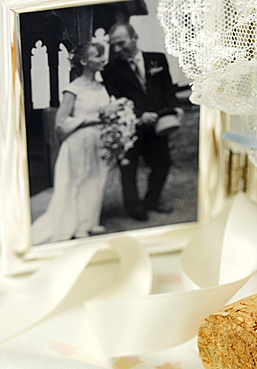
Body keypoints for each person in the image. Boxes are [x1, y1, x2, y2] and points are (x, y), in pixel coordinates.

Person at [31, 42, 113, 243]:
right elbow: (61, 122)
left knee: (96, 179)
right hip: (79, 140)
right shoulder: (73, 89)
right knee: (78, 180)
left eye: (103, 55)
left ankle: (89, 222)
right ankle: (75, 225)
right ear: (84, 61)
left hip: (99, 139)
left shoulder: (101, 87)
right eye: (97, 56)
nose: (103, 60)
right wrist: (90, 120)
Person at [101, 22, 181, 221]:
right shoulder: (110, 69)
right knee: (129, 169)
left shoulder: (157, 59)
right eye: (114, 45)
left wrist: (174, 107)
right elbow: (115, 99)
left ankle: (152, 200)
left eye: (121, 43)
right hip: (129, 128)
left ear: (134, 38)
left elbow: (168, 88)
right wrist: (139, 114)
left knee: (163, 163)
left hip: (158, 126)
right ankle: (134, 206)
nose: (117, 49)